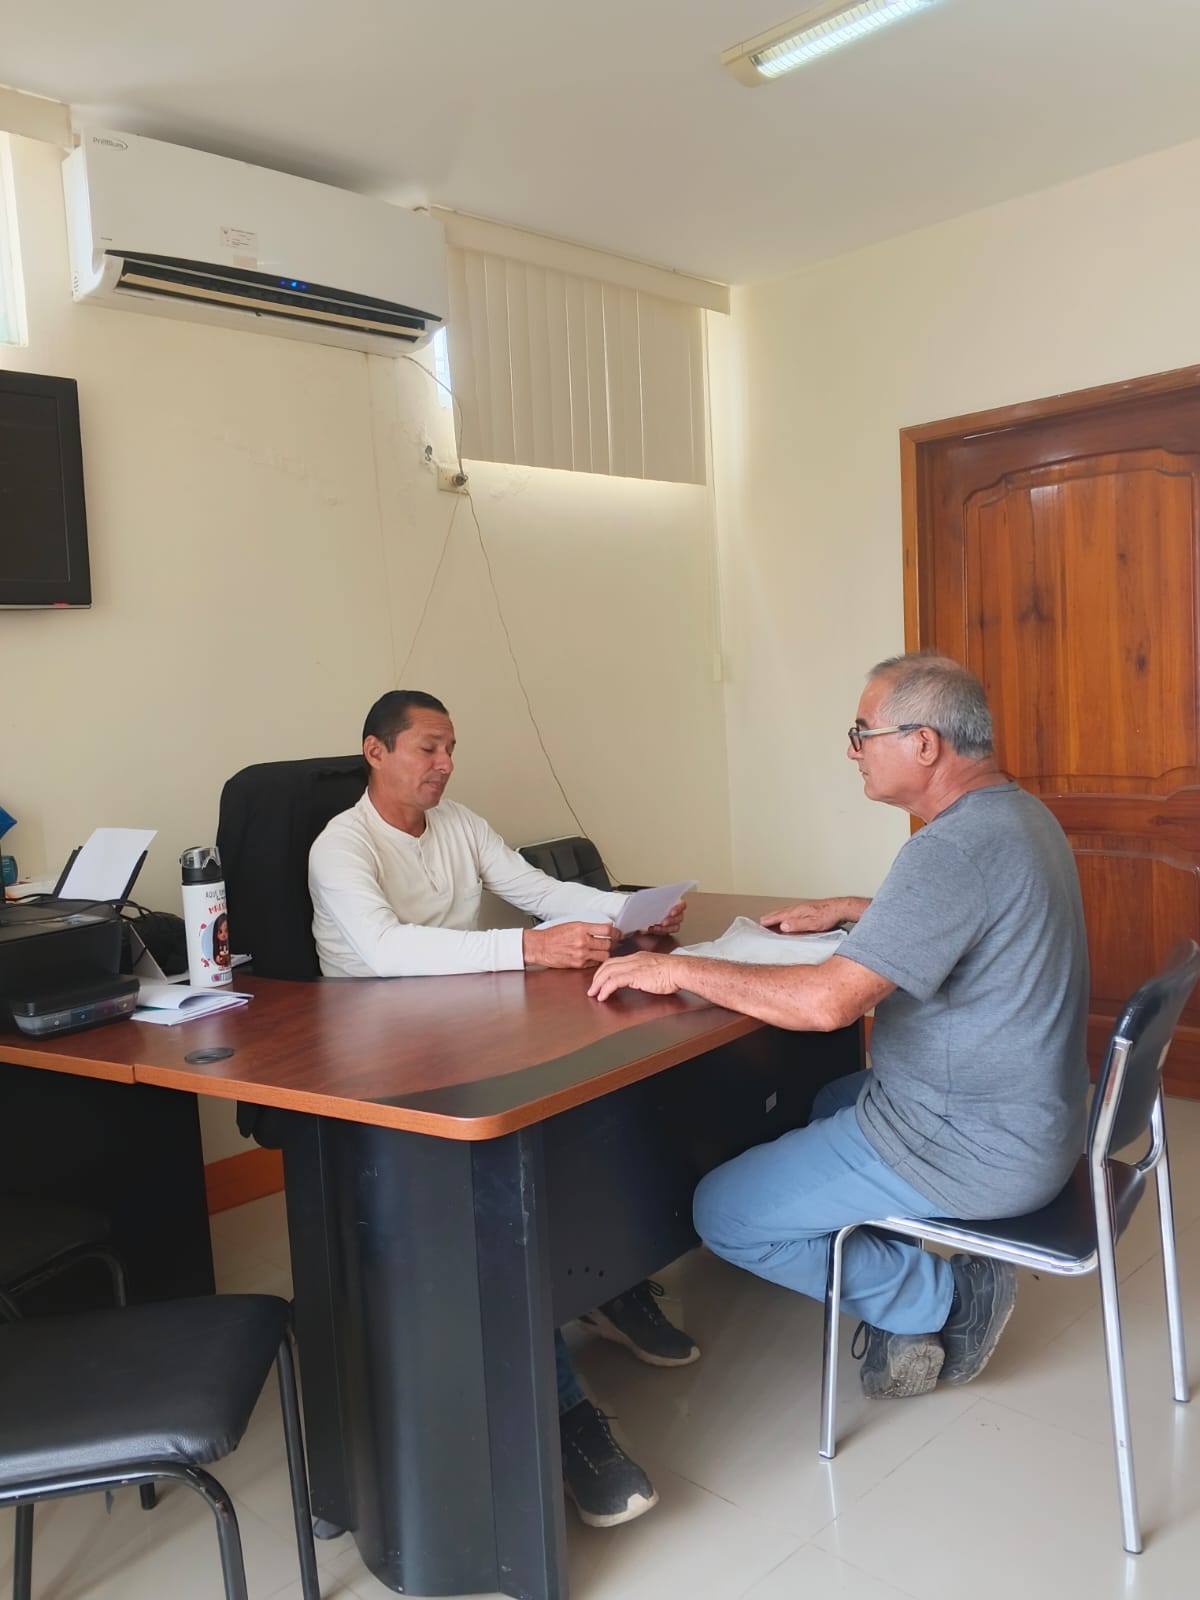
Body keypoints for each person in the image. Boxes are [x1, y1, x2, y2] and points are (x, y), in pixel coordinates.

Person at [589, 652, 1090, 1399]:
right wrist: (857, 911)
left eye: (863, 732)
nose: (852, 750)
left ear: (924, 744)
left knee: (721, 1212)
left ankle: (941, 1300)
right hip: (1032, 1116)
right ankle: (883, 1269)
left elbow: (827, 1005)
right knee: (824, 1101)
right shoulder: (1016, 815)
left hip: (972, 1144)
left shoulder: (950, 849)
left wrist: (681, 970)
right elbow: (977, 918)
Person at [309, 688, 696, 1526]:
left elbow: (538, 890)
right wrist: (525, 948)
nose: (445, 765)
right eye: (428, 748)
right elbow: (384, 948)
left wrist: (629, 910)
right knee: (495, 1207)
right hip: (380, 1062)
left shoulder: (459, 824)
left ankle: (605, 1279)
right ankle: (567, 1413)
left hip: (468, 1028)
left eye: (451, 748)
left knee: (600, 1107)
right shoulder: (340, 846)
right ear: (375, 752)